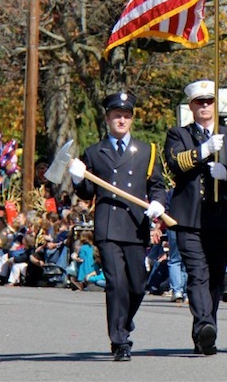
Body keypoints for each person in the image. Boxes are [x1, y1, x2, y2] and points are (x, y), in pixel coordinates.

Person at [70, 91, 168, 361]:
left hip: (136, 225)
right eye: (117, 116)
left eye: (126, 116)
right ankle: (119, 340)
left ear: (132, 119)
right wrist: (78, 179)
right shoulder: (94, 152)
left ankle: (122, 321)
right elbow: (88, 192)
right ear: (108, 118)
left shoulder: (146, 151)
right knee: (116, 283)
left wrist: (158, 203)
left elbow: (157, 185)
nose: (121, 120)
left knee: (137, 285)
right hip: (109, 225)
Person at [163, 80, 227, 356]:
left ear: (216, 105)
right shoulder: (178, 134)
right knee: (197, 275)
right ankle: (204, 325)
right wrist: (203, 150)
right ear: (191, 106)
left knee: (215, 279)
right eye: (199, 102)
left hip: (221, 216)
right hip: (189, 218)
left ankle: (204, 333)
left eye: (209, 101)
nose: (204, 106)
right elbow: (175, 163)